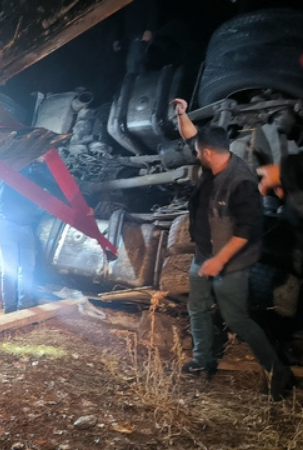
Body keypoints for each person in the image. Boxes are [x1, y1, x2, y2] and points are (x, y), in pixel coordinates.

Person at [173, 97, 294, 399]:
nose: (195, 154)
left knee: (237, 319)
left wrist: (219, 261)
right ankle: (202, 362)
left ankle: (279, 373)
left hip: (232, 262)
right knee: (197, 308)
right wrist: (182, 114)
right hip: (205, 255)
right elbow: (190, 136)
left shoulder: (241, 182)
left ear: (209, 153)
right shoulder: (212, 162)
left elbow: (247, 232)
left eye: (199, 152)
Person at [0, 158, 59, 313]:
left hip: (25, 225)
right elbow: (20, 168)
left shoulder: (39, 174)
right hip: (5, 222)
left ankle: (25, 305)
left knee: (28, 267)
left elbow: (54, 187)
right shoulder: (18, 166)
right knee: (10, 269)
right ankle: (10, 308)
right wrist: (35, 159)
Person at [112, 0, 158, 74]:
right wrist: (118, 38)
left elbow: (152, 9)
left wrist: (149, 29)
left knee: (132, 63)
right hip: (128, 38)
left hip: (140, 34)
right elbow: (120, 18)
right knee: (137, 65)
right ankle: (144, 83)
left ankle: (134, 83)